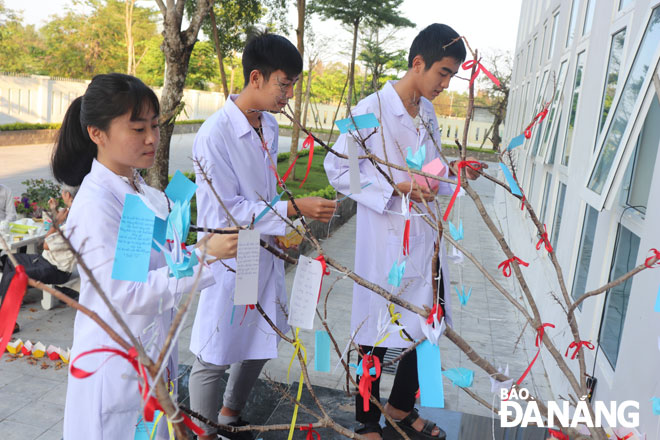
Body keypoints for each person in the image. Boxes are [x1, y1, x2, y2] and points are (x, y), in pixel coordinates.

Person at [51, 73, 238, 439]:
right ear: (97, 133)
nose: (152, 138)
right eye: (137, 128)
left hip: (150, 353)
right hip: (116, 365)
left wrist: (201, 250)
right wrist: (202, 258)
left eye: (154, 124)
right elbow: (127, 292)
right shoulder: (97, 206)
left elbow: (156, 264)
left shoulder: (139, 190)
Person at [324, 24, 484, 439]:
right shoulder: (368, 110)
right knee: (375, 330)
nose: (445, 85)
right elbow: (339, 170)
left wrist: (452, 171)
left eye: (451, 76)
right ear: (418, 63)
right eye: (443, 73)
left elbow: (429, 168)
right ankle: (365, 423)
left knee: (428, 321)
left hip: (425, 236)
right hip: (386, 239)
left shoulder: (427, 112)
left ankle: (400, 406)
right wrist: (390, 190)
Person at [189, 32, 336, 440]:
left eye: (292, 86)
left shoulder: (267, 125)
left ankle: (230, 413)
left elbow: (265, 193)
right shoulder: (214, 135)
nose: (288, 94)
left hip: (262, 248)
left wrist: (285, 225)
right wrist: (292, 209)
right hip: (231, 251)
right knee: (215, 348)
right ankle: (203, 432)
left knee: (260, 333)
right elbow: (227, 212)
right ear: (256, 77)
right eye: (283, 84)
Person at [0, 185, 78, 334]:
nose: (61, 195)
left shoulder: (76, 219)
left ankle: (4, 321)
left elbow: (46, 244)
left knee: (12, 275)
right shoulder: (73, 212)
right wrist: (55, 212)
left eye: (62, 192)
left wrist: (56, 222)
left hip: (56, 269)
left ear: (67, 195)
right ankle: (9, 315)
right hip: (47, 260)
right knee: (11, 260)